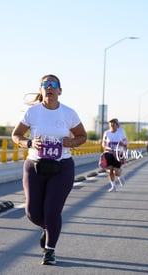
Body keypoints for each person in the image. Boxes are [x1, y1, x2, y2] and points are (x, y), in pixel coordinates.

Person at [11, 74, 87, 265]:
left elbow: (82, 136)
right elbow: (16, 135)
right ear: (41, 90)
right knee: (32, 212)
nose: (49, 87)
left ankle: (50, 251)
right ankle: (49, 229)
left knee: (52, 210)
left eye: (53, 84)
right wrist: (28, 142)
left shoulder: (68, 113)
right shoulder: (32, 112)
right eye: (45, 84)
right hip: (35, 166)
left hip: (62, 167)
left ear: (60, 90)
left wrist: (72, 142)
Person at [102, 118, 128, 192]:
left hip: (118, 153)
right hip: (109, 153)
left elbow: (125, 142)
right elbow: (103, 143)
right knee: (110, 170)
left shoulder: (121, 132)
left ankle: (120, 176)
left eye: (114, 123)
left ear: (117, 125)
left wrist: (123, 145)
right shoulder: (106, 133)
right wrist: (105, 146)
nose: (112, 124)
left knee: (116, 171)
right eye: (110, 123)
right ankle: (113, 186)